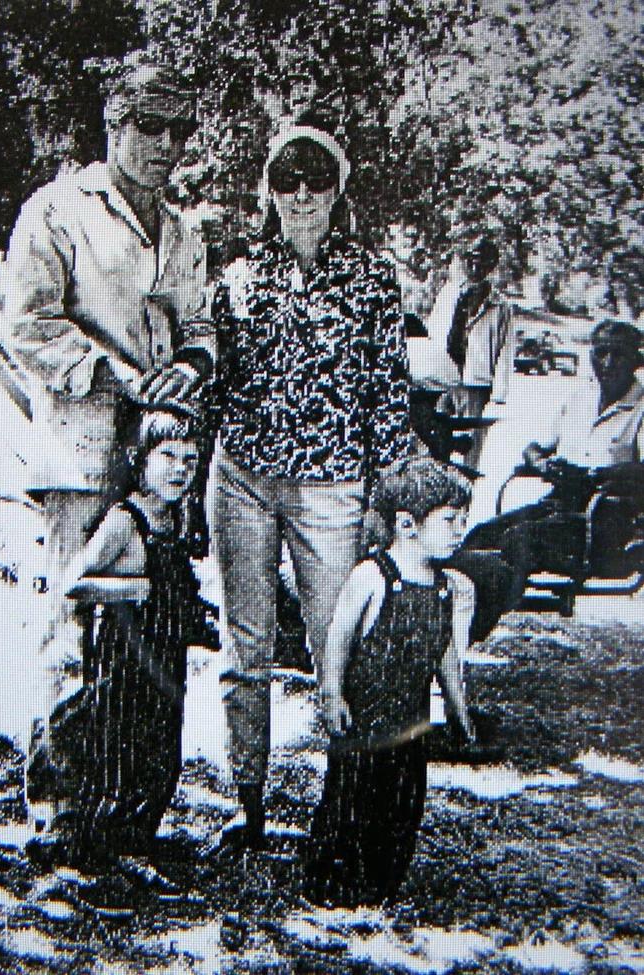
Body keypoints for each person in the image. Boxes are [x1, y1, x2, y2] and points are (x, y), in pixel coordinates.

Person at [0, 51, 213, 825]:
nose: (165, 145)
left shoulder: (182, 230)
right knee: (77, 629)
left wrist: (189, 364)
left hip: (158, 463)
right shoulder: (57, 209)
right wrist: (113, 373)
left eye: (178, 130)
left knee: (145, 640)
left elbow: (200, 324)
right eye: (150, 126)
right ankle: (60, 814)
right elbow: (26, 323)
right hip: (85, 452)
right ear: (112, 123)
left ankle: (127, 814)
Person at [210, 121, 416, 849]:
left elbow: (389, 390)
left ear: (338, 190)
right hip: (243, 478)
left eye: (317, 178)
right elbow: (217, 381)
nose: (301, 194)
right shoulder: (237, 275)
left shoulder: (372, 276)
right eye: (287, 179)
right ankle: (248, 803)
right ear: (268, 189)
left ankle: (342, 805)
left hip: (334, 488)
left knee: (339, 642)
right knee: (246, 646)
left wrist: (387, 498)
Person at [29, 407, 208, 912]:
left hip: (164, 660)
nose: (179, 469)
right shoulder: (124, 520)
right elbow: (75, 584)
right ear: (139, 460)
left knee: (161, 754)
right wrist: (134, 588)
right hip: (122, 662)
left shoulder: (175, 518)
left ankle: (134, 844)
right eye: (167, 457)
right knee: (117, 756)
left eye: (189, 460)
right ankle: (91, 861)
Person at [303, 457, 476, 907]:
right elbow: (339, 637)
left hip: (410, 722)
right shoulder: (373, 576)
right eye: (450, 520)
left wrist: (457, 707)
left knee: (402, 804)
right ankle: (331, 883)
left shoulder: (444, 586)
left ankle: (380, 884)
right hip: (364, 718)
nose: (460, 530)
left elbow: (444, 651)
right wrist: (331, 693)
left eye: (463, 520)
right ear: (407, 524)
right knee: (351, 801)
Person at [465, 319, 644, 592]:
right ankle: (467, 609)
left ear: (635, 360)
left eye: (618, 354)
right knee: (481, 536)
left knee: (519, 541)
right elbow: (533, 448)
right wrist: (542, 463)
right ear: (591, 356)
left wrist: (594, 476)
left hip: (606, 519)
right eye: (601, 353)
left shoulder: (640, 408)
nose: (608, 363)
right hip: (559, 504)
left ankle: (490, 604)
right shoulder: (580, 399)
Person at [421, 238, 513, 469]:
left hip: (475, 382)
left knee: (471, 441)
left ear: (491, 266)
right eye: (471, 260)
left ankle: (467, 485)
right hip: (443, 378)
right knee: (435, 435)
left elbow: (505, 349)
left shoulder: (500, 305)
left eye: (482, 263)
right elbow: (432, 333)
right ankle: (438, 479)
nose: (475, 267)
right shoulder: (448, 294)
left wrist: (499, 393)